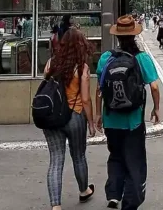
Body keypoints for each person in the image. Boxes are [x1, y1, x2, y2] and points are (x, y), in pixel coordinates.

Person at [96, 15, 160, 210]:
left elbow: (100, 90)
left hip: (111, 119)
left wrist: (98, 115)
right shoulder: (141, 58)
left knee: (115, 156)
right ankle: (130, 203)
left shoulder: (106, 58)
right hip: (133, 121)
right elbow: (155, 87)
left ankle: (114, 195)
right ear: (134, 35)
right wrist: (156, 109)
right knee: (135, 160)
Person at [42, 28, 97, 210]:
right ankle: (83, 190)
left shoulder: (51, 63)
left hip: (52, 118)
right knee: (79, 156)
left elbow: (47, 85)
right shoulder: (81, 67)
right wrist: (91, 123)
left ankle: (55, 205)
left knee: (56, 159)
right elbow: (86, 99)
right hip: (74, 115)